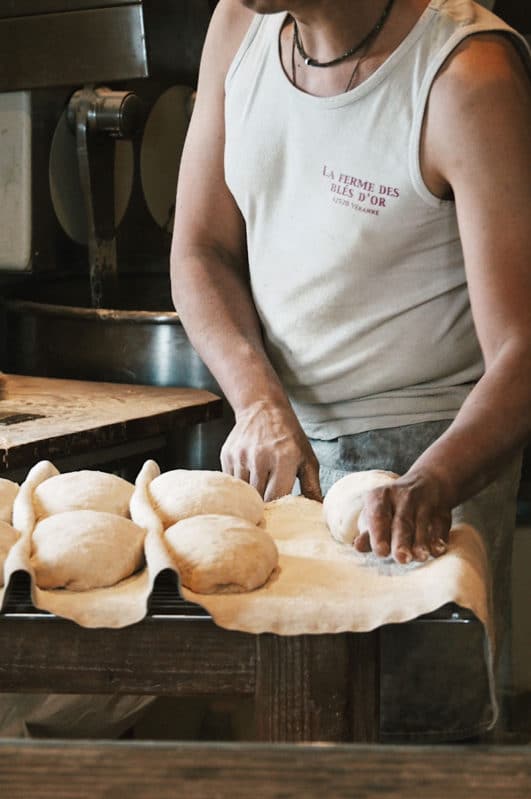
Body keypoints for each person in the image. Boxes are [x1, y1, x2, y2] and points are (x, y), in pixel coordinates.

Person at [170, 0, 530, 739]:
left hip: (426, 469)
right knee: (283, 746)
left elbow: (523, 353)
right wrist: (259, 404)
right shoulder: (239, 25)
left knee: (417, 754)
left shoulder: (462, 74)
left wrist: (433, 484)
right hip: (275, 456)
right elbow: (199, 249)